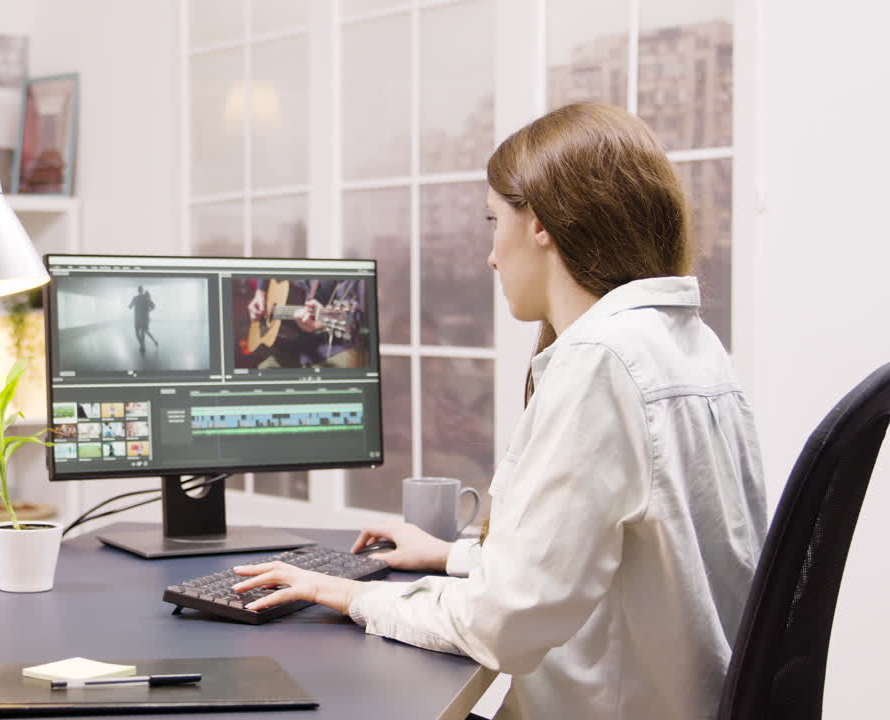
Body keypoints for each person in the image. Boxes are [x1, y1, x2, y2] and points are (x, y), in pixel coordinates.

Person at [230, 103, 767, 720]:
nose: (489, 256)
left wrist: (347, 595)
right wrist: (448, 555)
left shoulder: (602, 362)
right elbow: (602, 560)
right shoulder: (687, 344)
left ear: (539, 223)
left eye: (493, 221)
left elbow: (504, 624)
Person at [244, 277, 367, 368]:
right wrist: (260, 292)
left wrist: (322, 319)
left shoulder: (339, 255)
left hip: (329, 347)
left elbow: (353, 318)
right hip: (288, 347)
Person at [128, 286, 158, 353]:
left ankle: (142, 345)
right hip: (145, 318)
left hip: (137, 318)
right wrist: (149, 310)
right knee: (145, 332)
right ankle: (146, 344)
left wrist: (133, 304)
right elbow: (153, 306)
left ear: (138, 291)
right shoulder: (146, 298)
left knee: (138, 332)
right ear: (142, 290)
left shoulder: (135, 298)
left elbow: (130, 307)